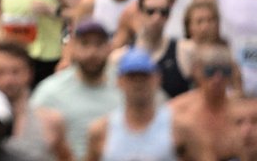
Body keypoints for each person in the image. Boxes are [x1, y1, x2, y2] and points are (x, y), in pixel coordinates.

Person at [84, 48, 202, 161]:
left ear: (157, 78)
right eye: (131, 77)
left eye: (144, 76)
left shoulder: (179, 128)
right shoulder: (102, 131)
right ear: (119, 81)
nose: (138, 83)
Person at [30, 19, 121, 159]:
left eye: (99, 44)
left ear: (109, 47)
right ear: (72, 47)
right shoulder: (50, 91)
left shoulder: (127, 89)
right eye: (84, 44)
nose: (92, 52)